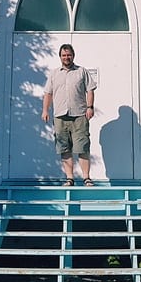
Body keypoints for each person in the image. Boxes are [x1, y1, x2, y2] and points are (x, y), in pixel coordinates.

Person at [41, 43, 97, 186]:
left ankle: (86, 178)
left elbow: (90, 90)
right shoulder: (54, 73)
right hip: (60, 116)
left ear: (73, 56)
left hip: (79, 115)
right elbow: (48, 93)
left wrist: (90, 107)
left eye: (69, 55)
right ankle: (69, 178)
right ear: (60, 57)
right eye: (64, 55)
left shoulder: (82, 71)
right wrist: (45, 110)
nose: (66, 57)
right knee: (64, 148)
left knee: (82, 147)